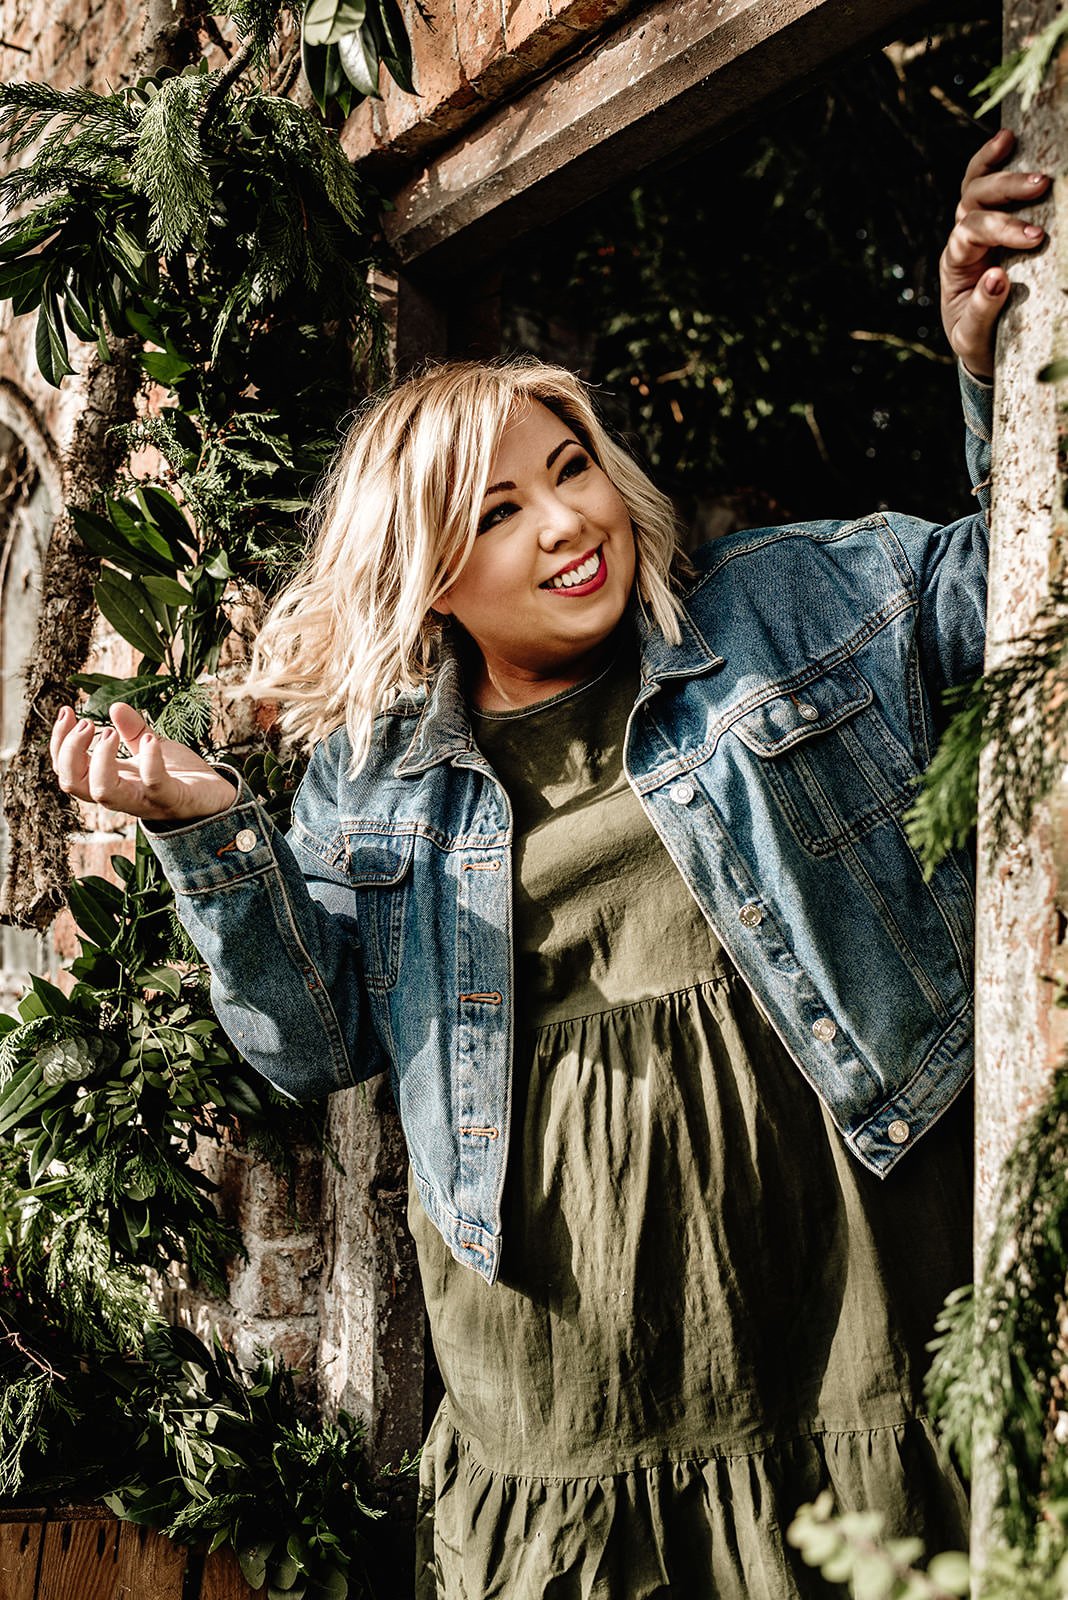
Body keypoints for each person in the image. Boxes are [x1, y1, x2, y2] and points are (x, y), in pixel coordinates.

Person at [52, 130, 1046, 1598]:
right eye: (497, 511)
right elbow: (312, 1047)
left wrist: (997, 365)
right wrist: (207, 825)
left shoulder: (781, 605)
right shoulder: (374, 779)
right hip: (567, 1366)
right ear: (429, 581)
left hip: (860, 1295)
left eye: (570, 468)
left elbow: (1021, 582)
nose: (568, 520)